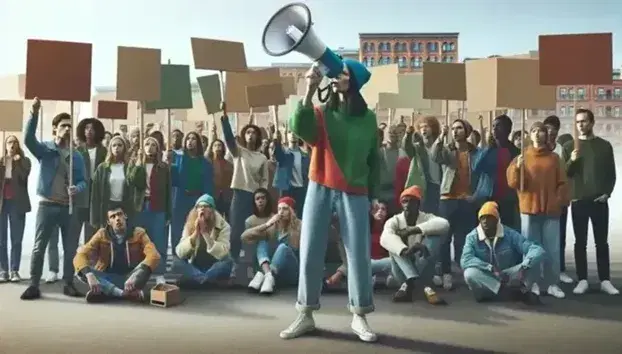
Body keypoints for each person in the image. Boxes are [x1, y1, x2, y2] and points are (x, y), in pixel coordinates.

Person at [280, 59, 380, 343]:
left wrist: (375, 197)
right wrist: (310, 89)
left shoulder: (369, 118)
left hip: (356, 190)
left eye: (343, 73)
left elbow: (374, 159)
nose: (336, 77)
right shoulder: (322, 112)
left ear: (355, 82)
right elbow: (298, 126)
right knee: (310, 248)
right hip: (320, 184)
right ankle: (305, 313)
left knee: (358, 253)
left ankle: (359, 314)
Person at [21, 98, 88, 300]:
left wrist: (78, 188)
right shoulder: (46, 149)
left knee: (69, 247)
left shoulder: (76, 156)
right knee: (39, 246)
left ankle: (68, 283)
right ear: (55, 129)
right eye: (63, 126)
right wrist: (34, 113)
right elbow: (27, 139)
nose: (67, 129)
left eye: (69, 126)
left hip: (68, 207)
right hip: (47, 204)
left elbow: (83, 180)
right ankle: (34, 284)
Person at [507, 122, 567, 298]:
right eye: (534, 131)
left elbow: (562, 182)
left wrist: (558, 200)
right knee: (530, 248)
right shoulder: (522, 156)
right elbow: (512, 182)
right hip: (529, 207)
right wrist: (517, 168)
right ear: (530, 135)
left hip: (551, 209)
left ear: (545, 135)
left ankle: (552, 283)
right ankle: (530, 281)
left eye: (541, 131)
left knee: (552, 248)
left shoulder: (554, 158)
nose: (537, 134)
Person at [562, 109, 619, 295]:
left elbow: (611, 174)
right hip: (579, 199)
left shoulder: (604, 146)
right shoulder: (570, 146)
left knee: (602, 242)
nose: (581, 125)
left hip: (599, 200)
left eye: (584, 121)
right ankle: (582, 279)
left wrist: (607, 193)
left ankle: (605, 280)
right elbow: (564, 174)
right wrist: (571, 160)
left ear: (592, 123)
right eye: (578, 121)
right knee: (580, 242)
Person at [461, 202, 544, 305]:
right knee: (469, 273)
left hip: (507, 275)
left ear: (496, 220)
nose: (485, 221)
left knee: (534, 262)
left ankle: (509, 291)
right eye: (482, 218)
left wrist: (524, 267)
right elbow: (465, 259)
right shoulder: (472, 237)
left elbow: (536, 249)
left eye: (489, 217)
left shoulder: (509, 234)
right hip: (487, 276)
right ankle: (511, 292)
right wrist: (489, 268)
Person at [432, 119, 482, 290]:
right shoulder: (448, 150)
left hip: (466, 200)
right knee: (445, 238)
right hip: (447, 198)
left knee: (464, 239)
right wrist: (441, 136)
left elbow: (481, 173)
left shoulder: (474, 152)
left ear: (467, 131)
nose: (455, 131)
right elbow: (435, 156)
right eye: (453, 129)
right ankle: (445, 272)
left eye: (459, 128)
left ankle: (466, 271)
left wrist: (475, 195)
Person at [74, 205, 160, 303]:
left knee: (146, 269)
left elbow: (154, 255)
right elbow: (80, 255)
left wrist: (136, 275)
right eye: (113, 217)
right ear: (108, 222)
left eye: (120, 215)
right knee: (81, 271)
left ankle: (106, 293)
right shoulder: (102, 234)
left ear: (125, 216)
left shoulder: (139, 233)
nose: (117, 219)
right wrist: (89, 274)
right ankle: (123, 294)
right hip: (108, 277)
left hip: (131, 278)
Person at [380, 186, 449, 305]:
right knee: (393, 244)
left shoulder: (426, 217)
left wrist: (413, 230)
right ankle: (418, 282)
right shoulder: (395, 220)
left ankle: (409, 284)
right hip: (402, 269)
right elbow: (384, 238)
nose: (407, 204)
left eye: (411, 201)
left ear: (418, 204)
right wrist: (405, 250)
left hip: (422, 264)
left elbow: (444, 224)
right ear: (401, 204)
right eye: (404, 201)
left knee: (435, 236)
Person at [221, 109, 269, 280]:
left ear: (257, 137)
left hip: (255, 198)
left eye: (253, 133)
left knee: (255, 232)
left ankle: (256, 268)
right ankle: (233, 264)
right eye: (247, 132)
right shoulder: (238, 152)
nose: (250, 135)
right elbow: (228, 139)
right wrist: (225, 119)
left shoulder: (262, 158)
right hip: (239, 195)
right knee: (236, 233)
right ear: (244, 135)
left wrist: (262, 197)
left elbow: (264, 180)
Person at [242, 196, 300, 294]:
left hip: (292, 272)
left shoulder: (300, 225)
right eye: (279, 209)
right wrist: (268, 224)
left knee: (283, 248)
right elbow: (245, 237)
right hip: (276, 277)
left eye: (285, 209)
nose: (281, 212)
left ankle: (264, 273)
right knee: (262, 241)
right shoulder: (274, 226)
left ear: (291, 211)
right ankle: (268, 275)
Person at [172, 194, 233, 286]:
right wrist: (195, 233)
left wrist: (205, 233)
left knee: (228, 261)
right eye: (199, 206)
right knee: (176, 262)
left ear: (212, 210)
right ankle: (204, 279)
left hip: (214, 265)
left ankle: (197, 280)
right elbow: (180, 252)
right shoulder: (190, 223)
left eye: (206, 206)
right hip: (195, 266)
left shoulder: (224, 226)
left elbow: (223, 252)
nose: (202, 209)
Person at [132, 137, 172, 279]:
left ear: (157, 148)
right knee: (140, 240)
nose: (150, 147)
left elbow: (168, 191)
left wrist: (168, 213)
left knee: (159, 240)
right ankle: (140, 271)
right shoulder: (137, 165)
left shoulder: (163, 167)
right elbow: (133, 181)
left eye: (153, 144)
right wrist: (137, 164)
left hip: (158, 207)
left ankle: (159, 272)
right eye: (147, 144)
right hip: (141, 206)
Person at [168, 132, 213, 256]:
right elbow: (173, 181)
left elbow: (208, 183)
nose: (190, 141)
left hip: (198, 200)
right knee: (178, 229)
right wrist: (170, 165)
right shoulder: (178, 159)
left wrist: (208, 202)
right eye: (188, 138)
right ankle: (177, 256)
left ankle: (196, 255)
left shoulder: (205, 162)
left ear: (198, 143)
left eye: (193, 139)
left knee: (197, 227)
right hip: (181, 199)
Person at [0, 135, 31, 282]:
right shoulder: (0, 162)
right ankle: (3, 270)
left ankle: (14, 270)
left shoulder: (24, 162)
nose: (12, 145)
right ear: (5, 145)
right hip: (2, 204)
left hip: (17, 204)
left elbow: (23, 178)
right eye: (9, 142)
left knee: (16, 239)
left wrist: (17, 162)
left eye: (15, 142)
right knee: (1, 239)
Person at [90, 136, 136, 230]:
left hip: (124, 207)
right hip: (107, 207)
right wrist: (94, 218)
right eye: (114, 145)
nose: (116, 148)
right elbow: (95, 195)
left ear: (124, 148)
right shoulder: (102, 168)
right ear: (110, 148)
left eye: (120, 145)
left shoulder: (129, 167)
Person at [75, 118, 107, 244]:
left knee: (92, 231)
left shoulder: (103, 151)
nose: (89, 131)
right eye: (86, 128)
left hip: (97, 194)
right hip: (81, 194)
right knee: (75, 231)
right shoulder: (78, 150)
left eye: (92, 128)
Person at [272, 130, 309, 219]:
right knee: (284, 216)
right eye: (290, 132)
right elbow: (278, 154)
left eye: (295, 132)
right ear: (286, 136)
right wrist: (277, 141)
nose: (292, 134)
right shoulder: (284, 154)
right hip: (287, 189)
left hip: (301, 189)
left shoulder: (305, 155)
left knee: (300, 216)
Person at [206, 138, 233, 219]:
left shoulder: (229, 164)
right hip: (213, 196)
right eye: (215, 145)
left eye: (219, 145)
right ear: (212, 149)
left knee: (228, 220)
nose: (217, 147)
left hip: (227, 196)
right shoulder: (208, 164)